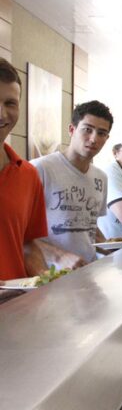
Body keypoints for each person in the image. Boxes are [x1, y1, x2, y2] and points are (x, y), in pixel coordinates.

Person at [31, 100, 113, 268]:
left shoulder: (101, 177)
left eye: (101, 133)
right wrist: (60, 257)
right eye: (87, 130)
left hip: (88, 270)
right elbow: (18, 234)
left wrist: (113, 248)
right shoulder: (40, 169)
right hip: (49, 274)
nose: (93, 138)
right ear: (71, 129)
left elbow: (88, 226)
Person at [0, 57, 47, 280]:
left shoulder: (28, 174)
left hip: (15, 308)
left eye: (10, 103)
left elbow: (28, 243)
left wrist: (44, 278)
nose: (1, 114)